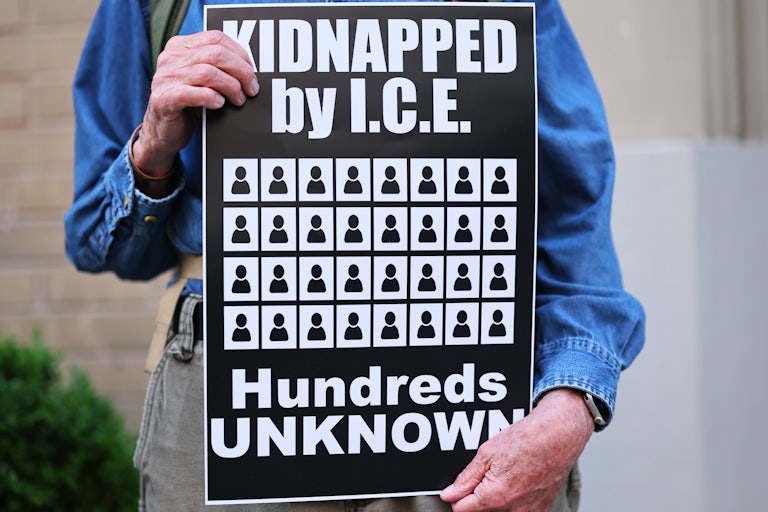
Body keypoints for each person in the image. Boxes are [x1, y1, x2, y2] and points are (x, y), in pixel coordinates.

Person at [64, 1, 645, 511]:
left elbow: (573, 208)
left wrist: (572, 401)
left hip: (462, 410)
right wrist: (153, 146)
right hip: (230, 401)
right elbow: (95, 239)